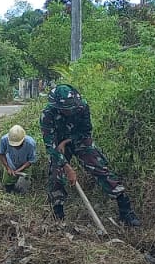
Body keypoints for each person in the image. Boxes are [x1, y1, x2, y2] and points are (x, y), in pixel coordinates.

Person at [40, 84, 141, 226]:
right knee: (56, 174)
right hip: (57, 147)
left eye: (71, 108)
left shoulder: (82, 107)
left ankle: (126, 211)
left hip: (78, 140)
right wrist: (67, 166)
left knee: (99, 167)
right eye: (65, 110)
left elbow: (86, 132)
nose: (69, 112)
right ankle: (58, 214)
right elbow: (49, 145)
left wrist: (67, 141)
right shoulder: (47, 115)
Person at [0, 124, 37, 193]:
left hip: (25, 165)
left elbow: (31, 160)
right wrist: (8, 168)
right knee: (7, 185)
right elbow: (1, 153)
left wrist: (20, 170)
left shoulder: (30, 143)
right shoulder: (4, 139)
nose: (16, 147)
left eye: (18, 145)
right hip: (10, 163)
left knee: (23, 188)